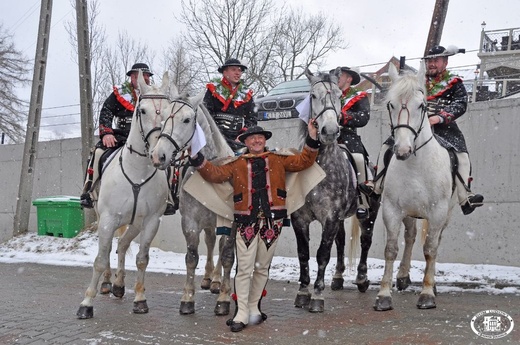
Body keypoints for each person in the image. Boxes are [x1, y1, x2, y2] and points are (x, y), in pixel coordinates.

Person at [188, 121, 320, 332]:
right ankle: (241, 313)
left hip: (272, 222)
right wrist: (196, 156)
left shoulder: (278, 160)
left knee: (262, 268)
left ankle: (253, 309)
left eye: (260, 137)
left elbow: (305, 160)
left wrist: (312, 136)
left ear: (265, 140)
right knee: (244, 269)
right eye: (252, 138)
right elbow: (214, 174)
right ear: (246, 142)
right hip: (246, 222)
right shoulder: (237, 163)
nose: (257, 140)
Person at [361, 45, 484, 215]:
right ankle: (377, 185)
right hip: (415, 126)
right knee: (387, 147)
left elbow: (461, 104)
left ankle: (465, 195)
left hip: (444, 127)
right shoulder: (416, 82)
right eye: (430, 61)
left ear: (445, 62)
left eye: (436, 60)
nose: (432, 64)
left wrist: (439, 117)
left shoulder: (454, 83)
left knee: (461, 155)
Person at [79, 63, 176, 215]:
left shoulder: (155, 94)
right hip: (121, 135)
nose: (143, 78)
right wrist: (107, 133)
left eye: (146, 75)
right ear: (132, 77)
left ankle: (168, 196)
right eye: (139, 75)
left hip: (148, 137)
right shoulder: (121, 93)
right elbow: (107, 111)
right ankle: (89, 191)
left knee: (165, 157)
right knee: (98, 153)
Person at [331, 66, 372, 219]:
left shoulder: (359, 96)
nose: (337, 78)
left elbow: (363, 118)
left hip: (347, 136)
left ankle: (362, 199)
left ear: (349, 79)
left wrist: (344, 117)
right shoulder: (330, 95)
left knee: (359, 158)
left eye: (340, 76)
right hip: (327, 136)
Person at [204, 58, 258, 152]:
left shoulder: (246, 94)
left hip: (238, 139)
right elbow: (206, 114)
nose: (238, 73)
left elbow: (252, 118)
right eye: (234, 70)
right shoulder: (213, 90)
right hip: (215, 135)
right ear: (225, 72)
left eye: (240, 70)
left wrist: (243, 135)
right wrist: (218, 133)